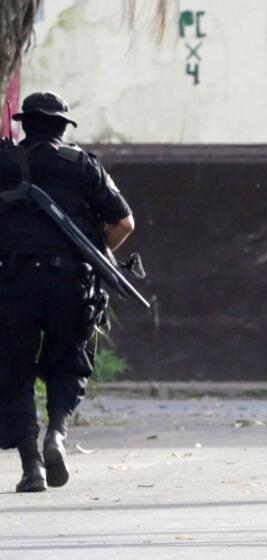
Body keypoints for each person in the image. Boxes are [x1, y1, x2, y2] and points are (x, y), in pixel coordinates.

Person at [0, 91, 135, 492]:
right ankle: (56, 433)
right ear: (63, 128)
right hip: (70, 283)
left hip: (12, 284)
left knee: (13, 371)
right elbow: (124, 223)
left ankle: (32, 467)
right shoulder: (83, 166)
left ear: (25, 125)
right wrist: (92, 253)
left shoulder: (3, 164)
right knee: (68, 362)